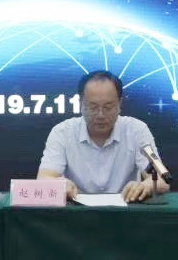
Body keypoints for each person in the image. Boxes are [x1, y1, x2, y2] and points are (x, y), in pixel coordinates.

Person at [37, 70, 170, 203]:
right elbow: (43, 179)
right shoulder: (62, 132)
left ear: (119, 104)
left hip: (126, 209)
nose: (100, 115)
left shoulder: (136, 130)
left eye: (108, 107)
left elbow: (161, 180)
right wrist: (60, 184)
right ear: (81, 104)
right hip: (77, 210)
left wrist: (145, 186)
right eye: (93, 107)